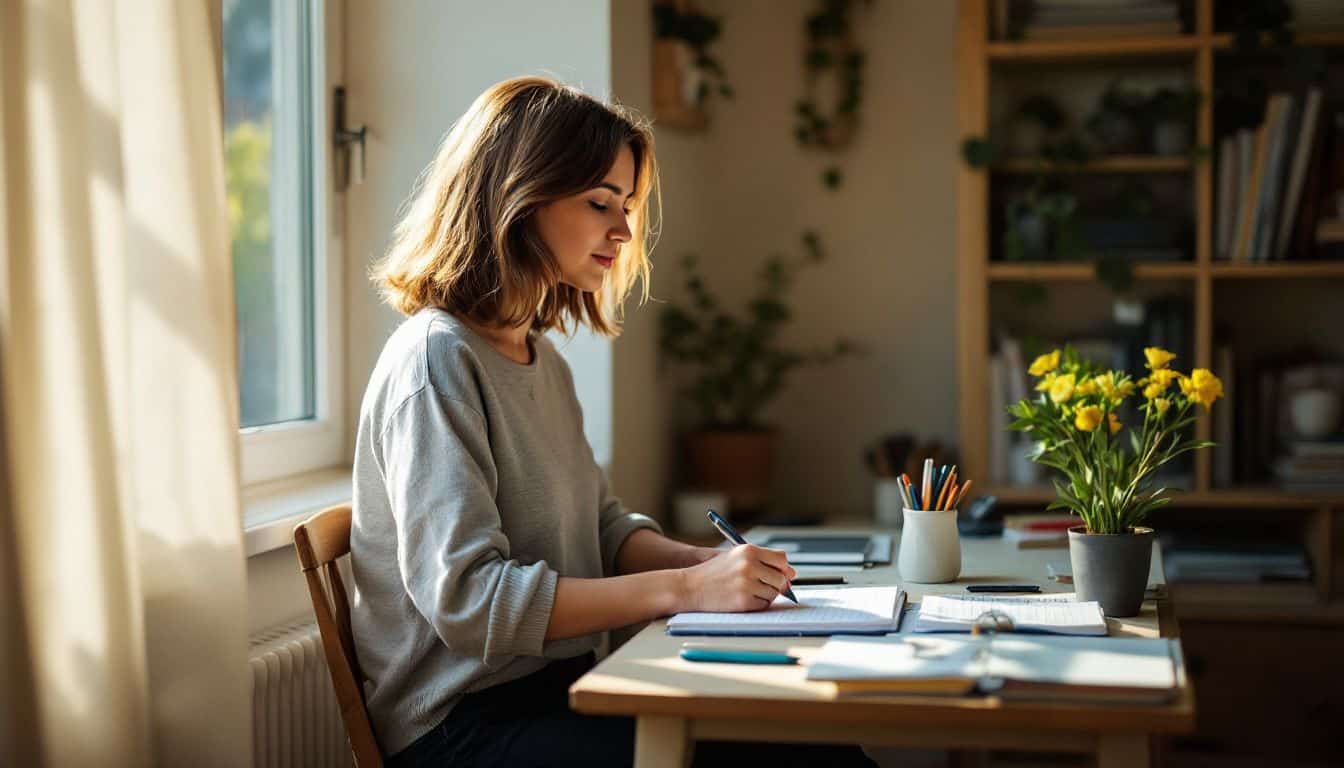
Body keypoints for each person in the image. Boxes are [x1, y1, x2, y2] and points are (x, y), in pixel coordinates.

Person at [351, 75, 875, 768]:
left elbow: (602, 530)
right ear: (519, 199)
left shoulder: (538, 358)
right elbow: (469, 602)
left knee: (814, 741)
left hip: (556, 692)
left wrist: (710, 566)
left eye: (625, 205)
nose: (624, 231)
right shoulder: (435, 363)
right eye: (601, 203)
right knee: (802, 758)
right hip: (461, 733)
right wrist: (686, 590)